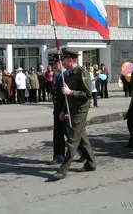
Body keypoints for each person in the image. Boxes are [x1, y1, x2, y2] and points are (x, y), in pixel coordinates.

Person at [53, 50, 96, 180]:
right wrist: (63, 111)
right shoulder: (70, 73)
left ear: (70, 60)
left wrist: (70, 91)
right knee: (82, 137)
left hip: (80, 110)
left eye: (64, 59)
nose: (62, 61)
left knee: (72, 140)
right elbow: (68, 97)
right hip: (72, 109)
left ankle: (63, 170)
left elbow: (87, 95)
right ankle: (91, 163)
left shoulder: (81, 72)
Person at [48, 55, 70, 164]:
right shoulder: (57, 76)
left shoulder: (67, 75)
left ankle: (83, 151)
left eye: (57, 64)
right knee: (57, 133)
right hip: (57, 109)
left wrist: (65, 111)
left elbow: (68, 96)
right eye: (54, 64)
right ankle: (59, 155)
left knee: (69, 133)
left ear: (62, 64)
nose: (55, 66)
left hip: (64, 110)